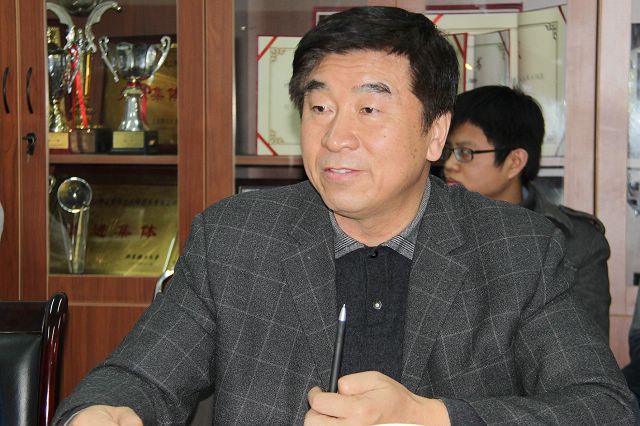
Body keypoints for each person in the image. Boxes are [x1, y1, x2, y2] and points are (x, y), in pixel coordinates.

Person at [53, 7, 636, 425]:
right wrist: (104, 411)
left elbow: (601, 406)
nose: (336, 137)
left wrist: (433, 418)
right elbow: (139, 376)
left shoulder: (518, 249)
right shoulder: (234, 239)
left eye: (369, 109)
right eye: (319, 107)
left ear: (436, 133)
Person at [442, 85, 612, 340]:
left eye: (465, 153)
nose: (450, 164)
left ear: (515, 162)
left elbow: (587, 349)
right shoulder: (432, 224)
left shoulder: (577, 241)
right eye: (449, 150)